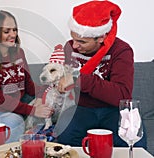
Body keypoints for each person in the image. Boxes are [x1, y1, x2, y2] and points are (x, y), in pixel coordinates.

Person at [56, 1, 147, 148]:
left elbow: (122, 95)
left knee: (134, 139)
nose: (75, 45)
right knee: (63, 140)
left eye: (82, 42)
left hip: (114, 110)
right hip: (82, 108)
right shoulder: (69, 48)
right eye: (73, 38)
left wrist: (78, 79)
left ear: (101, 38)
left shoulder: (122, 51)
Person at [0, 0, 53, 144]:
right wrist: (32, 110)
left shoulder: (19, 53)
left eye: (14, 30)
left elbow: (28, 85)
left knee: (16, 124)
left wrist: (44, 93)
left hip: (9, 109)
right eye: (7, 31)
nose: (13, 34)